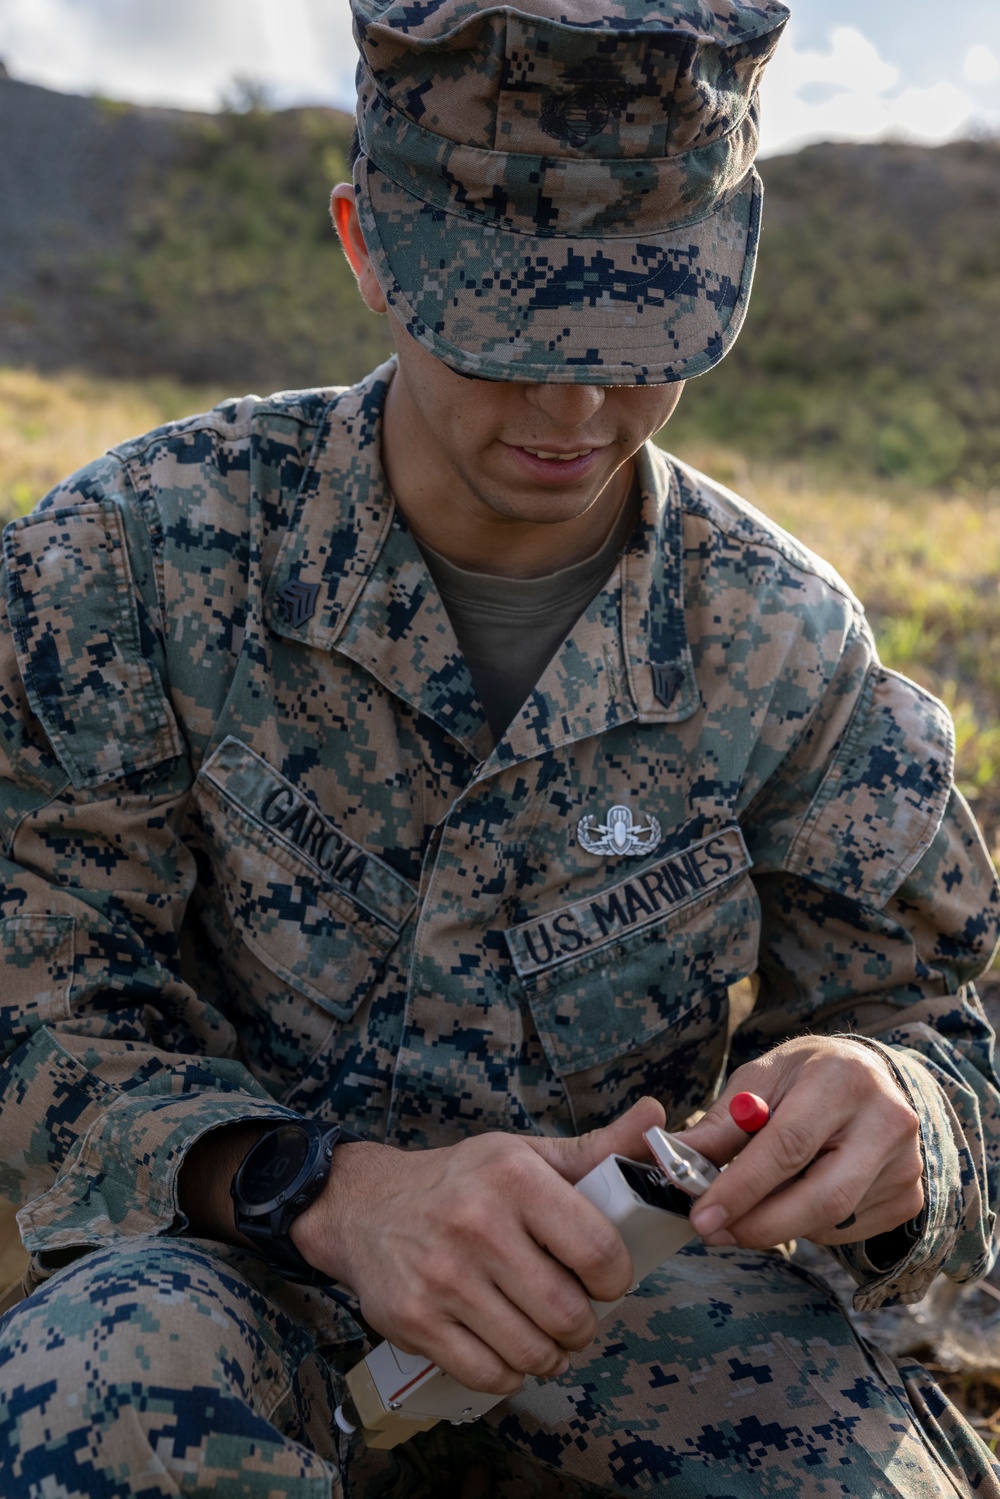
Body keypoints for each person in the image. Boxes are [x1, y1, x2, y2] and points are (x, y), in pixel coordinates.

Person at [0, 1, 998, 1495]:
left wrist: (896, 1104)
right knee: (103, 1389)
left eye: (641, 333)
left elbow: (946, 1033)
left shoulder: (787, 645)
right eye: (509, 332)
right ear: (364, 247)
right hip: (224, 1286)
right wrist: (324, 1195)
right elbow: (37, 1005)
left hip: (623, 1315)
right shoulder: (133, 563)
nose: (577, 406)